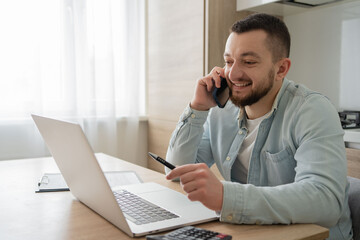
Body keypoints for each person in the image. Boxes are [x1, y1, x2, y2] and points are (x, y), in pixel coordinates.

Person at [165, 13, 353, 240]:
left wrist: (227, 197)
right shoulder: (222, 109)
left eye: (249, 62)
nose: (233, 74)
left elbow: (325, 202)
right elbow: (176, 173)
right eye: (229, 61)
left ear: (281, 69)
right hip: (255, 232)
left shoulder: (313, 111)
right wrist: (197, 108)